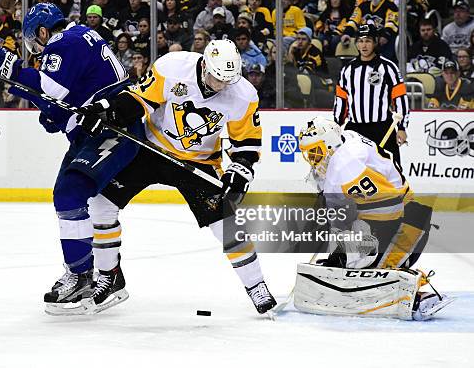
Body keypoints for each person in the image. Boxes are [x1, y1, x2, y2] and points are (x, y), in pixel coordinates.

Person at [77, 40, 277, 315]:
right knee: (101, 204)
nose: (219, 86)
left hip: (200, 162)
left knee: (227, 225)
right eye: (215, 78)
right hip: (151, 148)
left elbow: (247, 143)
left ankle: (256, 285)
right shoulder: (172, 67)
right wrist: (109, 112)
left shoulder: (243, 94)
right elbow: (139, 99)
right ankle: (109, 275)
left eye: (226, 81)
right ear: (204, 64)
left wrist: (241, 169)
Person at [0, 3, 138, 315]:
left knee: (71, 195)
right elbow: (61, 97)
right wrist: (53, 112)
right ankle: (91, 275)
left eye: (33, 41)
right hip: (97, 128)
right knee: (70, 198)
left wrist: (10, 68)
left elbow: (50, 88)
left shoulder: (62, 42)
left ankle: (83, 276)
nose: (36, 49)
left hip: (112, 128)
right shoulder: (80, 36)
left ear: (42, 31)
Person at [296, 116, 453, 321]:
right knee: (349, 259)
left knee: (366, 271)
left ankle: (418, 295)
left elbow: (389, 208)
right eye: (309, 154)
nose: (313, 159)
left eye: (315, 152)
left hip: (408, 225)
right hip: (395, 215)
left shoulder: (345, 166)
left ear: (330, 143)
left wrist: (356, 249)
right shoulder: (347, 138)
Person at [333, 24, 409, 164]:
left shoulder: (388, 67)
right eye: (360, 41)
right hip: (355, 130)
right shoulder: (347, 70)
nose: (364, 45)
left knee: (392, 172)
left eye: (368, 40)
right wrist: (336, 126)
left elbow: (400, 99)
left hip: (382, 128)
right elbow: (341, 100)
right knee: (353, 172)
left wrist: (402, 127)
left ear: (375, 42)